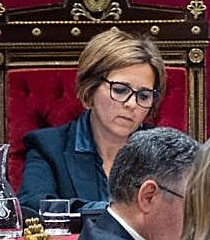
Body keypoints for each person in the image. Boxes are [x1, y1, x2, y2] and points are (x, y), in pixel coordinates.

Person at [19, 27, 165, 213]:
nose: (131, 104)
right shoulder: (48, 147)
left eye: (143, 96)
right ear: (90, 90)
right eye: (120, 90)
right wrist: (119, 213)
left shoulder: (164, 152)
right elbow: (33, 208)